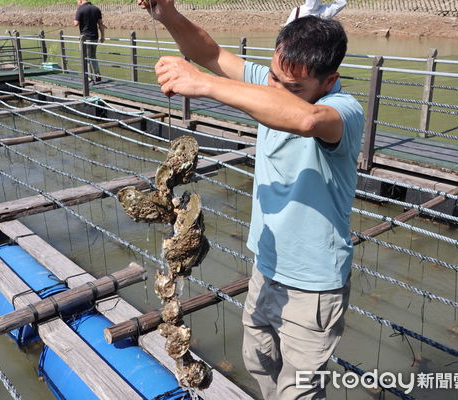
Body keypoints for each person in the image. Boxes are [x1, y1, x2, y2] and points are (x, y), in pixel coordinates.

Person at [136, 1, 364, 399]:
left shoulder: (344, 111)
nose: (275, 88)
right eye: (273, 77)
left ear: (328, 82)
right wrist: (166, 13)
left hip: (313, 287)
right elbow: (209, 53)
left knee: (300, 391)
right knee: (258, 361)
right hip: (266, 268)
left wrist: (204, 84)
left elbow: (306, 120)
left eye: (292, 88)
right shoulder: (275, 81)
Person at [73, 0, 105, 83]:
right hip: (95, 37)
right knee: (93, 56)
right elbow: (100, 24)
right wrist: (103, 36)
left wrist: (76, 20)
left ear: (80, 0)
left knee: (85, 58)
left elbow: (76, 23)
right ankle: (97, 75)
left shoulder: (80, 9)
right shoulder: (96, 9)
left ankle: (89, 78)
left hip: (85, 38)